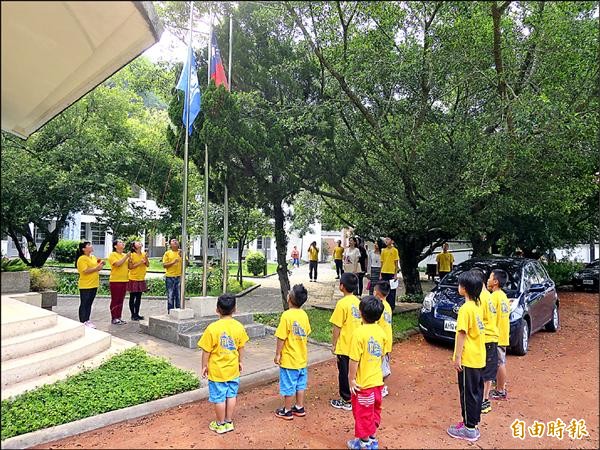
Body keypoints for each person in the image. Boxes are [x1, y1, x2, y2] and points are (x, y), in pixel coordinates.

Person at [198, 294, 249, 434]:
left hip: (217, 372)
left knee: (219, 398)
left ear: (217, 310)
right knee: (231, 395)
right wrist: (240, 362)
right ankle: (228, 421)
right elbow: (241, 347)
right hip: (233, 369)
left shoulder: (212, 328)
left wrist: (204, 365)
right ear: (235, 309)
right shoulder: (239, 327)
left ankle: (220, 424)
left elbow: (206, 351)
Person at [446, 270, 485, 442]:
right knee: (476, 391)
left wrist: (457, 357)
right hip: (479, 356)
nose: (458, 286)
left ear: (466, 288)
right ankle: (472, 423)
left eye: (460, 284)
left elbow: (462, 334)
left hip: (468, 358)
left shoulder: (465, 308)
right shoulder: (477, 306)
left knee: (467, 393)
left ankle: (469, 429)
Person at [346, 295, 387, 450]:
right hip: (377, 383)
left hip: (363, 385)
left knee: (362, 413)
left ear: (360, 313)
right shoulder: (381, 332)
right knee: (374, 410)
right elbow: (381, 355)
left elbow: (354, 360)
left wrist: (351, 379)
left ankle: (364, 443)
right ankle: (371, 437)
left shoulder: (358, 333)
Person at [274, 284, 311, 420]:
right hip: (301, 359)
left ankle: (287, 410)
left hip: (289, 360)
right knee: (300, 385)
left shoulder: (286, 316)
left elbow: (281, 337)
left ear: (289, 298)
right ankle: (299, 407)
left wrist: (278, 353)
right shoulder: (304, 315)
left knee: (289, 385)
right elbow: (306, 332)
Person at [329, 273, 362, 411]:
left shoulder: (341, 304)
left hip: (344, 346)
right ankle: (356, 396)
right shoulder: (358, 302)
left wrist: (334, 344)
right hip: (357, 344)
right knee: (355, 372)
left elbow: (337, 326)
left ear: (341, 286)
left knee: (344, 373)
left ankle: (347, 399)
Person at [472, 268, 498, 415]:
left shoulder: (480, 298)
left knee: (485, 371)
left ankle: (483, 400)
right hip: (491, 337)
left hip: (486, 338)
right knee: (487, 370)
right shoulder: (488, 295)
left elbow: (477, 320)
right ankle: (484, 399)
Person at [488, 269, 510, 401]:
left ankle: (500, 390)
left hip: (496, 335)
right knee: (499, 362)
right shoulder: (503, 296)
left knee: (499, 363)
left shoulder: (494, 297)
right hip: (502, 334)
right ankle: (499, 386)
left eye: (490, 277)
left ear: (495, 281)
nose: (488, 280)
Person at [75, 241, 104, 328]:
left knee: (89, 303)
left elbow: (96, 265)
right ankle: (83, 321)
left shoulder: (93, 257)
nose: (91, 246)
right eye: (88, 245)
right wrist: (96, 268)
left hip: (94, 283)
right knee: (84, 303)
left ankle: (87, 319)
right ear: (83, 249)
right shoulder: (82, 259)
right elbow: (85, 271)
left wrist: (101, 263)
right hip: (85, 285)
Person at [374, 281, 393, 398]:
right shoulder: (387, 306)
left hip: (380, 341)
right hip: (387, 341)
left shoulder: (379, 307)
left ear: (376, 293)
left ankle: (380, 387)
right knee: (383, 364)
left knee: (380, 367)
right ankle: (381, 386)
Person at [108, 239, 130, 325]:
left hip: (124, 279)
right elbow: (117, 264)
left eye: (122, 242)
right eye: (120, 242)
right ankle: (114, 317)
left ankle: (119, 317)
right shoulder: (113, 254)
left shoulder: (125, 255)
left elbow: (129, 266)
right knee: (115, 299)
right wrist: (126, 257)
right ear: (115, 246)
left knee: (121, 300)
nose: (122, 243)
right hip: (115, 280)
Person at [127, 240, 148, 321]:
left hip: (141, 278)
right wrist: (140, 262)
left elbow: (147, 264)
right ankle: (133, 314)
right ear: (134, 247)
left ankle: (137, 314)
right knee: (132, 297)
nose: (139, 243)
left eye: (139, 242)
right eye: (137, 243)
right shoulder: (131, 255)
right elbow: (130, 267)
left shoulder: (143, 254)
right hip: (133, 278)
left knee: (139, 297)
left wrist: (146, 258)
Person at [379, 237, 400, 312]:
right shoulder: (383, 251)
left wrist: (395, 274)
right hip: (384, 272)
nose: (386, 241)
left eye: (388, 239)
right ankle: (384, 305)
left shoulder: (395, 250)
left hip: (391, 273)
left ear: (392, 241)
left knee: (392, 290)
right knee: (384, 289)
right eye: (386, 239)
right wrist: (380, 273)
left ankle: (391, 306)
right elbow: (381, 262)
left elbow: (396, 263)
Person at [163, 238, 182, 312]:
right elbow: (164, 265)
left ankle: (178, 311)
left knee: (178, 296)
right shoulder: (167, 253)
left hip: (179, 276)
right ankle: (170, 312)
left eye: (176, 241)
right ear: (170, 244)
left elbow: (187, 264)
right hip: (170, 277)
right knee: (170, 296)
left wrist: (182, 256)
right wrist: (173, 262)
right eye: (173, 241)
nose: (175, 242)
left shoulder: (181, 252)